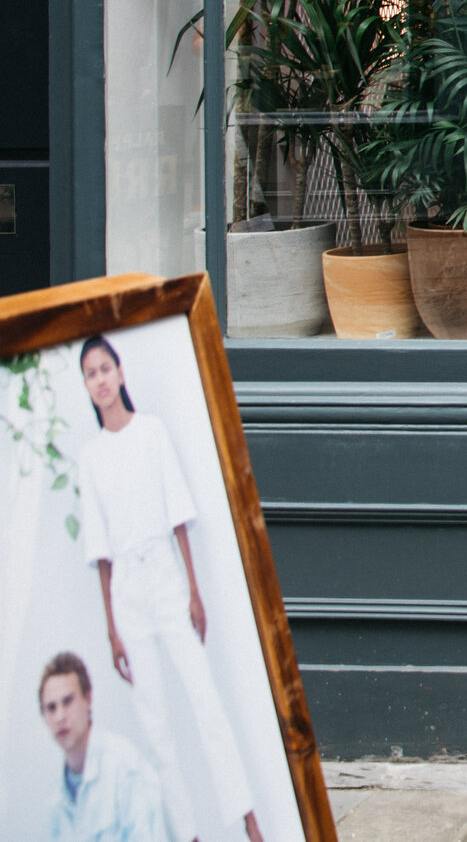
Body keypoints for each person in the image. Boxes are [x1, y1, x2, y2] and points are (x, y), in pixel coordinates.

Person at [75, 336, 267, 842]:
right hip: (128, 595)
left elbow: (179, 516)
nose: (100, 380)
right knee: (156, 726)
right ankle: (187, 833)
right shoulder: (90, 457)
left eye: (104, 368)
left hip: (165, 575)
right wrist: (113, 629)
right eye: (90, 374)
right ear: (86, 386)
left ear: (120, 373)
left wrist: (193, 590)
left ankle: (246, 816)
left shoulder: (152, 433)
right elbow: (99, 552)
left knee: (205, 702)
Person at [39, 650, 179, 842]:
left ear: (88, 699)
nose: (60, 716)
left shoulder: (125, 769)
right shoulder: (54, 801)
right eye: (51, 708)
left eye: (68, 701)